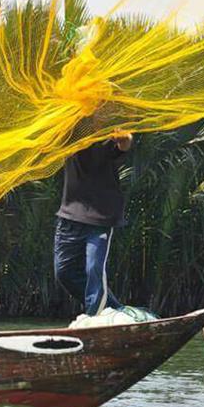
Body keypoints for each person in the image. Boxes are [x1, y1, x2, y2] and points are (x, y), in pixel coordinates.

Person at [54, 130, 132, 316]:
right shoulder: (69, 130)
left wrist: (125, 139)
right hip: (69, 215)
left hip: (100, 217)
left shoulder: (107, 131)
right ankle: (116, 311)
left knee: (93, 270)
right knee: (64, 272)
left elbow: (124, 144)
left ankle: (93, 318)